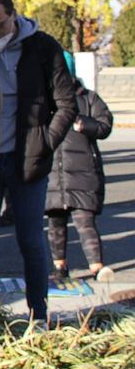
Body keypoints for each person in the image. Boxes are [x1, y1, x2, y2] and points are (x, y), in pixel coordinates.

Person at [0, 0, 76, 322]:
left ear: (13, 15)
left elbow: (66, 103)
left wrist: (46, 142)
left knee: (31, 241)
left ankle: (39, 312)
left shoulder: (43, 48)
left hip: (28, 160)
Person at [46, 53, 114, 282]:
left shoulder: (88, 98)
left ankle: (97, 267)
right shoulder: (45, 99)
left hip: (83, 173)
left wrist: (84, 124)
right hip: (54, 172)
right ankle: (59, 267)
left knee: (85, 222)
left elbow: (105, 125)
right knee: (55, 224)